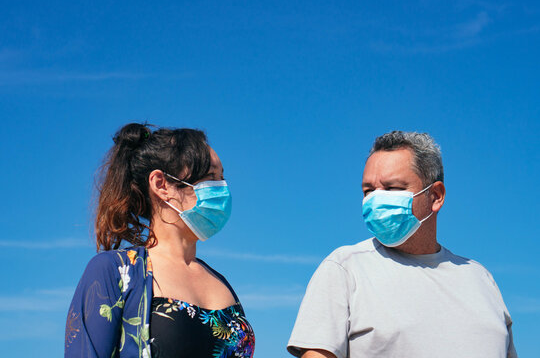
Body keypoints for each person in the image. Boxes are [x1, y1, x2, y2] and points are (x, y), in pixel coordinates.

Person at [287, 131, 516, 358]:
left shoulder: (481, 280)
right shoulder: (345, 269)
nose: (376, 199)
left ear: (435, 196)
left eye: (393, 188)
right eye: (368, 190)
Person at [65, 123, 255, 358]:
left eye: (222, 178)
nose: (221, 189)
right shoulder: (115, 271)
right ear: (161, 184)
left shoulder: (221, 281)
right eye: (209, 177)